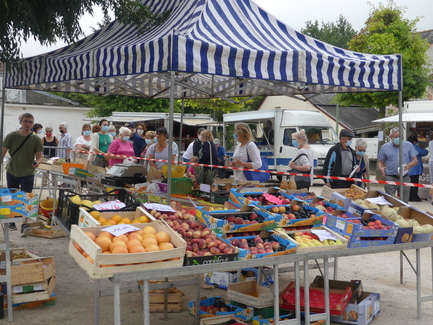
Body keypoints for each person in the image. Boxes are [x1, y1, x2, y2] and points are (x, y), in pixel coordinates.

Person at [1, 113, 43, 235]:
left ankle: (24, 224)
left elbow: (39, 156)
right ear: (21, 122)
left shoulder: (35, 138)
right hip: (12, 170)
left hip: (28, 172)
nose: (28, 124)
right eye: (25, 121)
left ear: (33, 124)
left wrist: (37, 162)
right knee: (11, 196)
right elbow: (3, 152)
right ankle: (12, 221)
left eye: (30, 122)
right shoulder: (12, 136)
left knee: (27, 198)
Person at [378, 127, 418, 203]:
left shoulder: (408, 145)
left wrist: (408, 166)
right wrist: (381, 168)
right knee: (390, 201)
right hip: (390, 177)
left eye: (399, 137)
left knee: (404, 202)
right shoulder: (385, 147)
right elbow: (380, 162)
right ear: (390, 136)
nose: (398, 138)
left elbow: (415, 161)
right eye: (395, 137)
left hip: (404, 177)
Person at [408, 135, 428, 202]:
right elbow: (425, 152)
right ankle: (414, 197)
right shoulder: (415, 147)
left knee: (408, 184)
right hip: (414, 169)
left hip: (407, 168)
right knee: (414, 184)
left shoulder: (405, 146)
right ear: (414, 141)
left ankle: (409, 196)